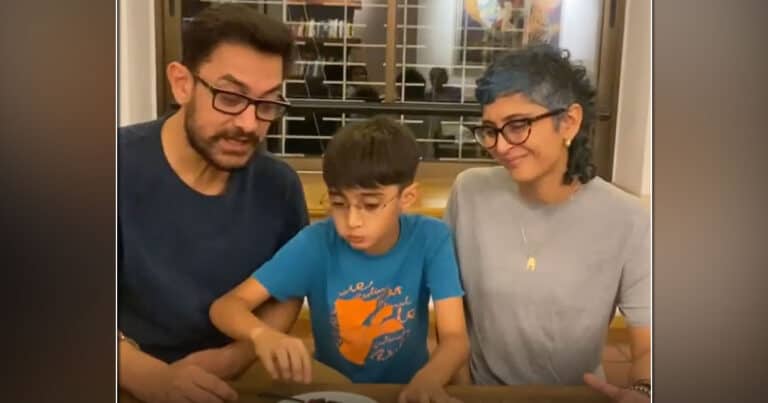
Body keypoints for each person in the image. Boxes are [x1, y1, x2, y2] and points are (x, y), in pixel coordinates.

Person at [118, 4, 309, 403]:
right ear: (182, 84)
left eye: (267, 104)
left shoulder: (279, 187)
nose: (248, 124)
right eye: (230, 97)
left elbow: (288, 289)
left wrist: (234, 358)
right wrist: (151, 378)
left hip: (231, 383)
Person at [210, 117, 469, 403]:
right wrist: (262, 334)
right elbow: (226, 306)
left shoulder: (431, 237)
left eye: (370, 204)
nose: (352, 221)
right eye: (338, 203)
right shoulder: (316, 242)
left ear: (407, 198)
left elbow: (455, 337)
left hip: (406, 390)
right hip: (333, 391)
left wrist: (428, 379)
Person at [445, 44, 651, 403]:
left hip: (575, 397)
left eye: (518, 126)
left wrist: (643, 390)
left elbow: (648, 345)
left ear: (569, 121)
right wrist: (462, 388)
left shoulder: (628, 218)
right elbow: (452, 312)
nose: (501, 146)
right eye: (490, 130)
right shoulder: (469, 193)